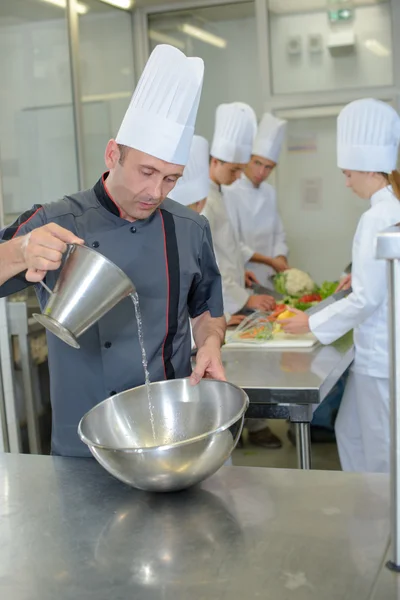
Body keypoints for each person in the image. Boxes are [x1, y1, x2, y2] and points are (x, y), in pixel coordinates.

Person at [0, 45, 226, 458]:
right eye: (146, 172)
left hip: (168, 434)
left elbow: (207, 310)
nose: (155, 192)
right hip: (82, 442)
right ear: (112, 154)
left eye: (171, 179)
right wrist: (21, 250)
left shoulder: (192, 228)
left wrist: (210, 344)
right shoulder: (57, 219)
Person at [281, 98, 400, 473]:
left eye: (348, 173)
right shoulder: (391, 209)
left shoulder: (377, 217)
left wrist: (311, 323)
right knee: (350, 430)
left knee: (380, 448)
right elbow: (377, 280)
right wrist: (360, 277)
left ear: (368, 170)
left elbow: (367, 298)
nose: (346, 181)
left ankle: (384, 522)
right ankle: (366, 510)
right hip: (380, 352)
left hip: (381, 356)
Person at [203, 103, 281, 449]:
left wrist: (243, 271)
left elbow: (227, 249)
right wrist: (245, 299)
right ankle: (240, 427)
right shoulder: (202, 200)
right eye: (235, 169)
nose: (240, 177)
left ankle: (243, 426)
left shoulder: (217, 193)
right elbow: (209, 264)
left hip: (234, 290)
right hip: (220, 302)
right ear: (215, 163)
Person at [223, 113, 289, 289]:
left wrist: (280, 256)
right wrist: (269, 260)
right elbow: (232, 242)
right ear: (247, 159)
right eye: (257, 163)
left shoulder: (270, 192)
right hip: (244, 274)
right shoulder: (230, 190)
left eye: (268, 167)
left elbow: (278, 234)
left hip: (270, 276)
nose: (262, 172)